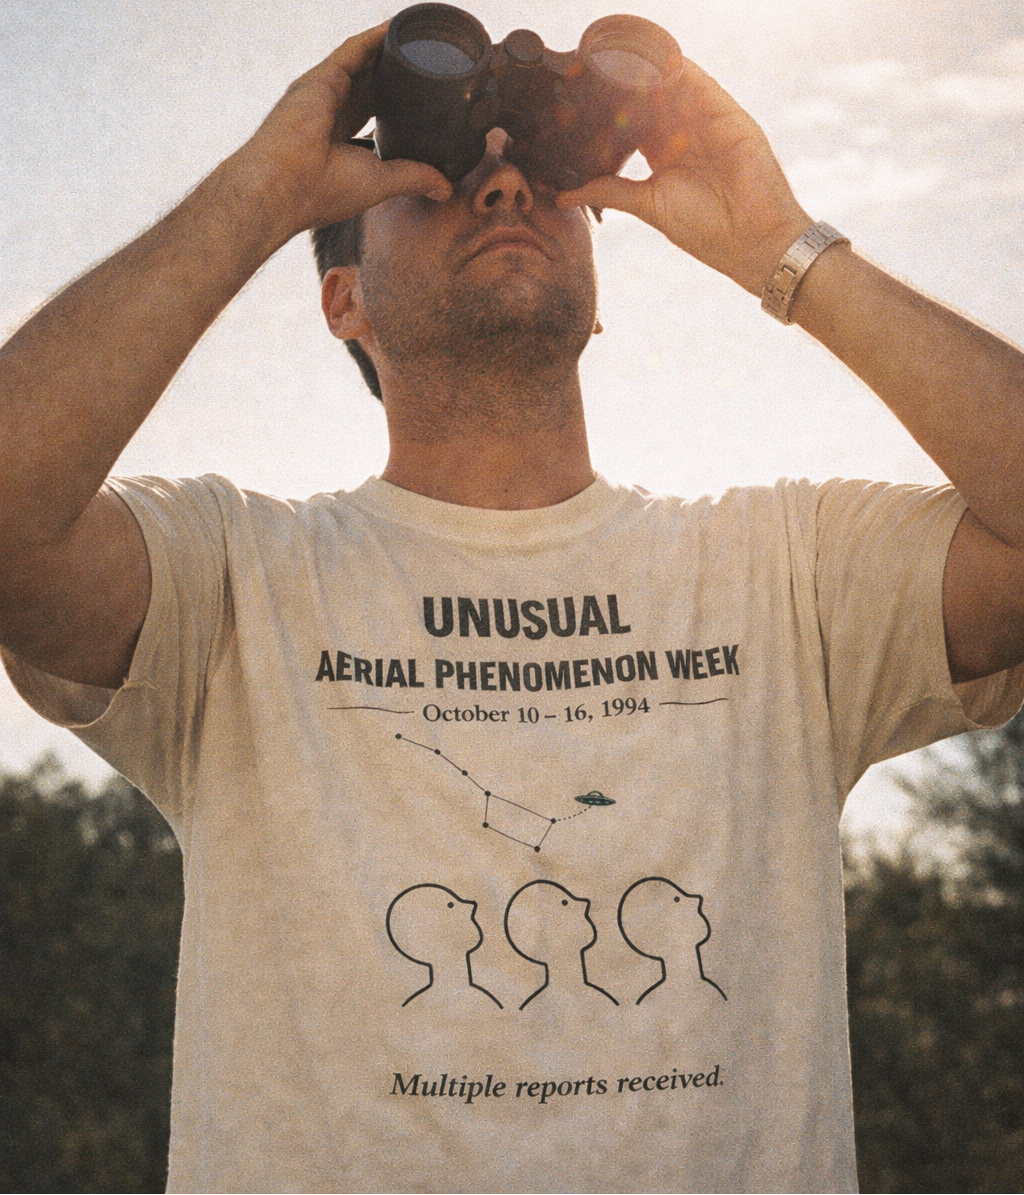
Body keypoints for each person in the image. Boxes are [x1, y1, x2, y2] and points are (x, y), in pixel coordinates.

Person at [1, 17, 1023, 1194]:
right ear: (343, 302)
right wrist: (253, 196)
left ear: (598, 300)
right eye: (437, 180)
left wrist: (780, 250)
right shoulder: (232, 578)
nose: (499, 191)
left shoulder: (781, 571)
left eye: (541, 178)